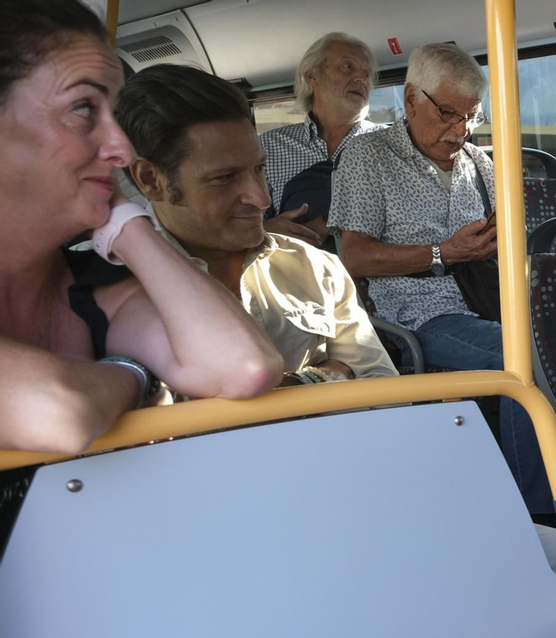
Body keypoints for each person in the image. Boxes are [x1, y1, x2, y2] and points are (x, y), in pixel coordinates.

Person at [0, 0, 282, 458]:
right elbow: (55, 412)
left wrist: (127, 220)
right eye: (83, 108)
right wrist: (132, 373)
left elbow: (244, 366)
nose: (119, 148)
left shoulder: (96, 287)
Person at [331, 42, 553, 517]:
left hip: (489, 303)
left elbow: (508, 237)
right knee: (520, 358)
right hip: (418, 316)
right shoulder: (368, 156)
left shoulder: (480, 162)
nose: (460, 130)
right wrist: (443, 252)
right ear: (412, 99)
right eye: (449, 114)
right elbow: (353, 257)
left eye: (471, 116)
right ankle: (537, 513)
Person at [117, 65, 395, 385]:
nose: (262, 199)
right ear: (152, 181)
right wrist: (327, 374)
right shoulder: (98, 290)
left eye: (259, 168)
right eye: (225, 178)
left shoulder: (316, 267)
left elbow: (380, 384)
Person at [259, 33, 385, 247]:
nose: (362, 79)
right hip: (299, 274)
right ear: (312, 76)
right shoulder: (269, 147)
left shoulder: (389, 143)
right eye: (347, 67)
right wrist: (267, 231)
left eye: (366, 74)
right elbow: (240, 224)